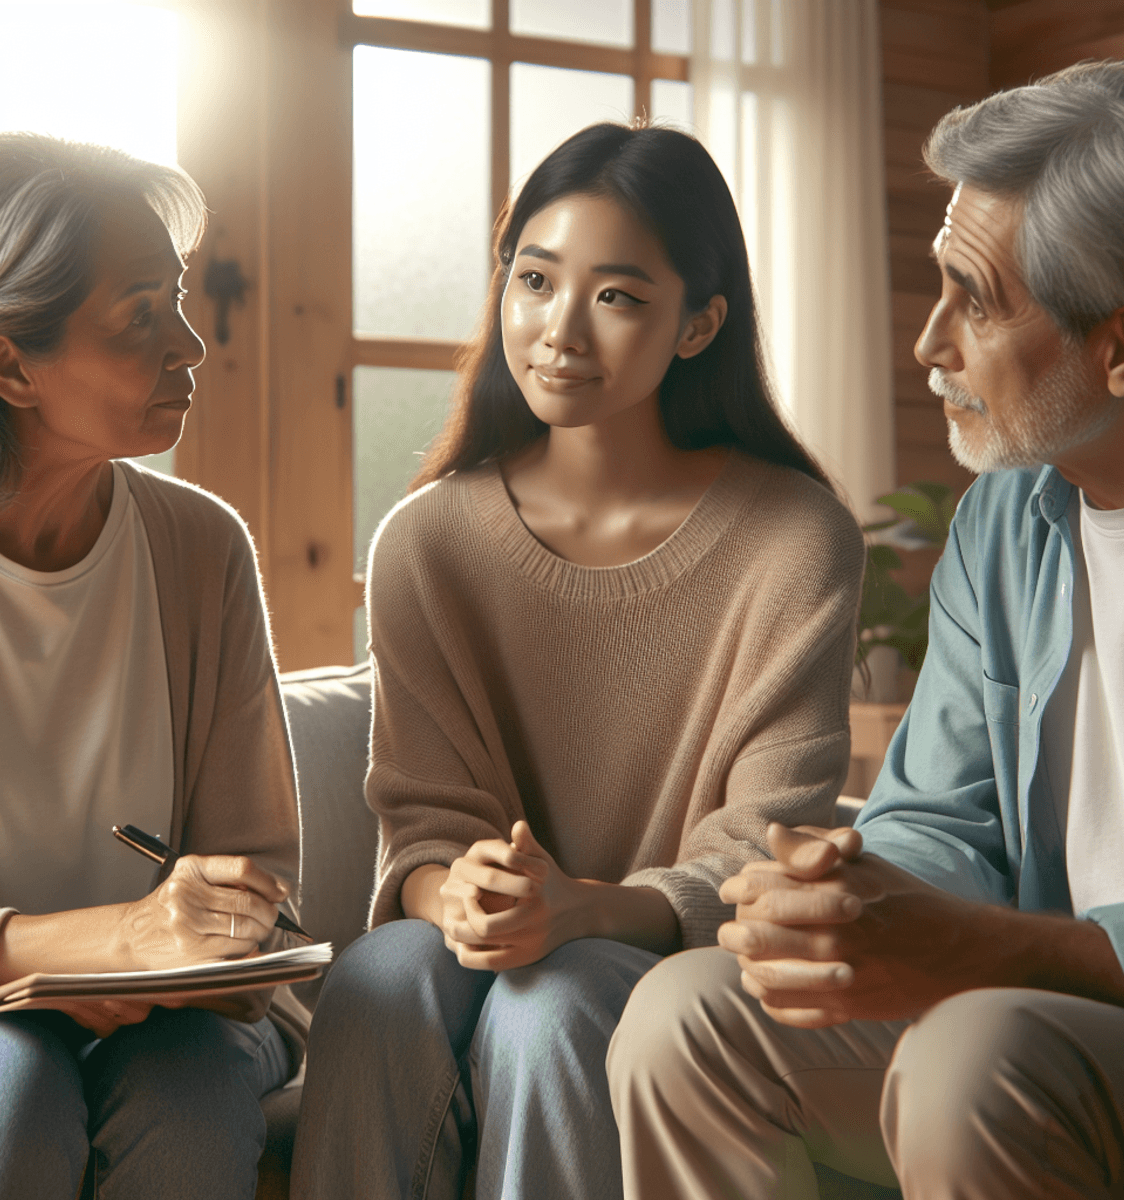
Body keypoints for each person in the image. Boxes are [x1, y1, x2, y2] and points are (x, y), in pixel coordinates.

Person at [607, 59, 1124, 1199]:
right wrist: (838, 890)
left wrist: (979, 950)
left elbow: (995, 967)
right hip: (1039, 1019)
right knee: (686, 1015)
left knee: (977, 1057)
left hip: (1065, 1035)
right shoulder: (1006, 520)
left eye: (976, 299)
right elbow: (935, 822)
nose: (928, 344)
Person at [288, 121, 865, 1200]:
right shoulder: (427, 540)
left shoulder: (793, 537)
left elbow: (766, 842)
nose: (558, 329)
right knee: (378, 975)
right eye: (535, 278)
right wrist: (454, 892)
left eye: (617, 296)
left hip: (669, 959)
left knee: (552, 1000)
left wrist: (587, 906)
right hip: (476, 940)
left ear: (699, 324)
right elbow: (422, 817)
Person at [0, 132, 305, 1200]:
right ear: (7, 362)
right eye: (142, 317)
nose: (193, 346)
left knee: (193, 1094)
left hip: (178, 1021)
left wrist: (219, 927)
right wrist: (105, 941)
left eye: (179, 302)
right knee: (11, 1086)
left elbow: (262, 866)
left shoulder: (200, 548)